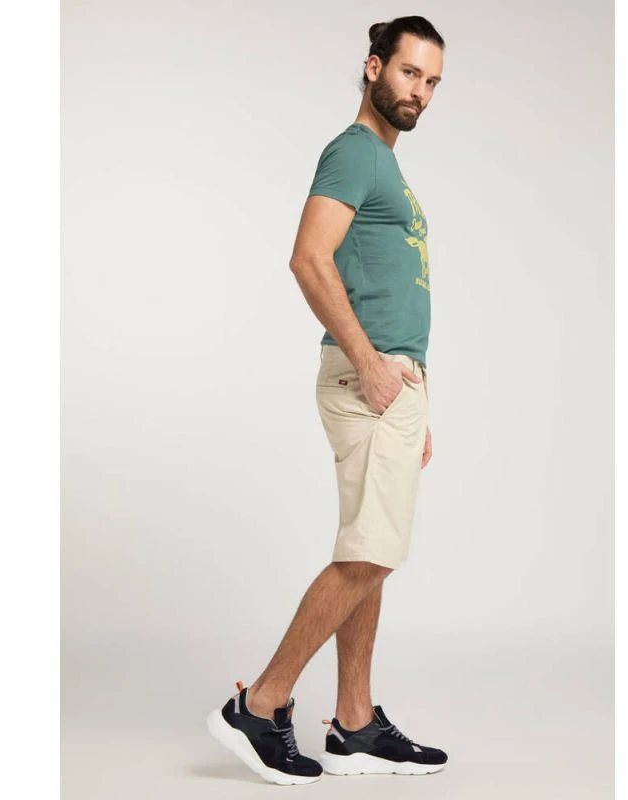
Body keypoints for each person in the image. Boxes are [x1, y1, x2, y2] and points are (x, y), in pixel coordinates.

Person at [206, 16, 447, 785]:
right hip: (370, 376)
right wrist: (373, 366)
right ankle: (259, 704)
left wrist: (414, 395)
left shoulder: (384, 165)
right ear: (374, 67)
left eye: (432, 81)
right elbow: (309, 259)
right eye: (409, 72)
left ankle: (355, 722)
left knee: (368, 550)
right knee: (370, 552)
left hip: (394, 383)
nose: (420, 91)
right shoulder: (355, 152)